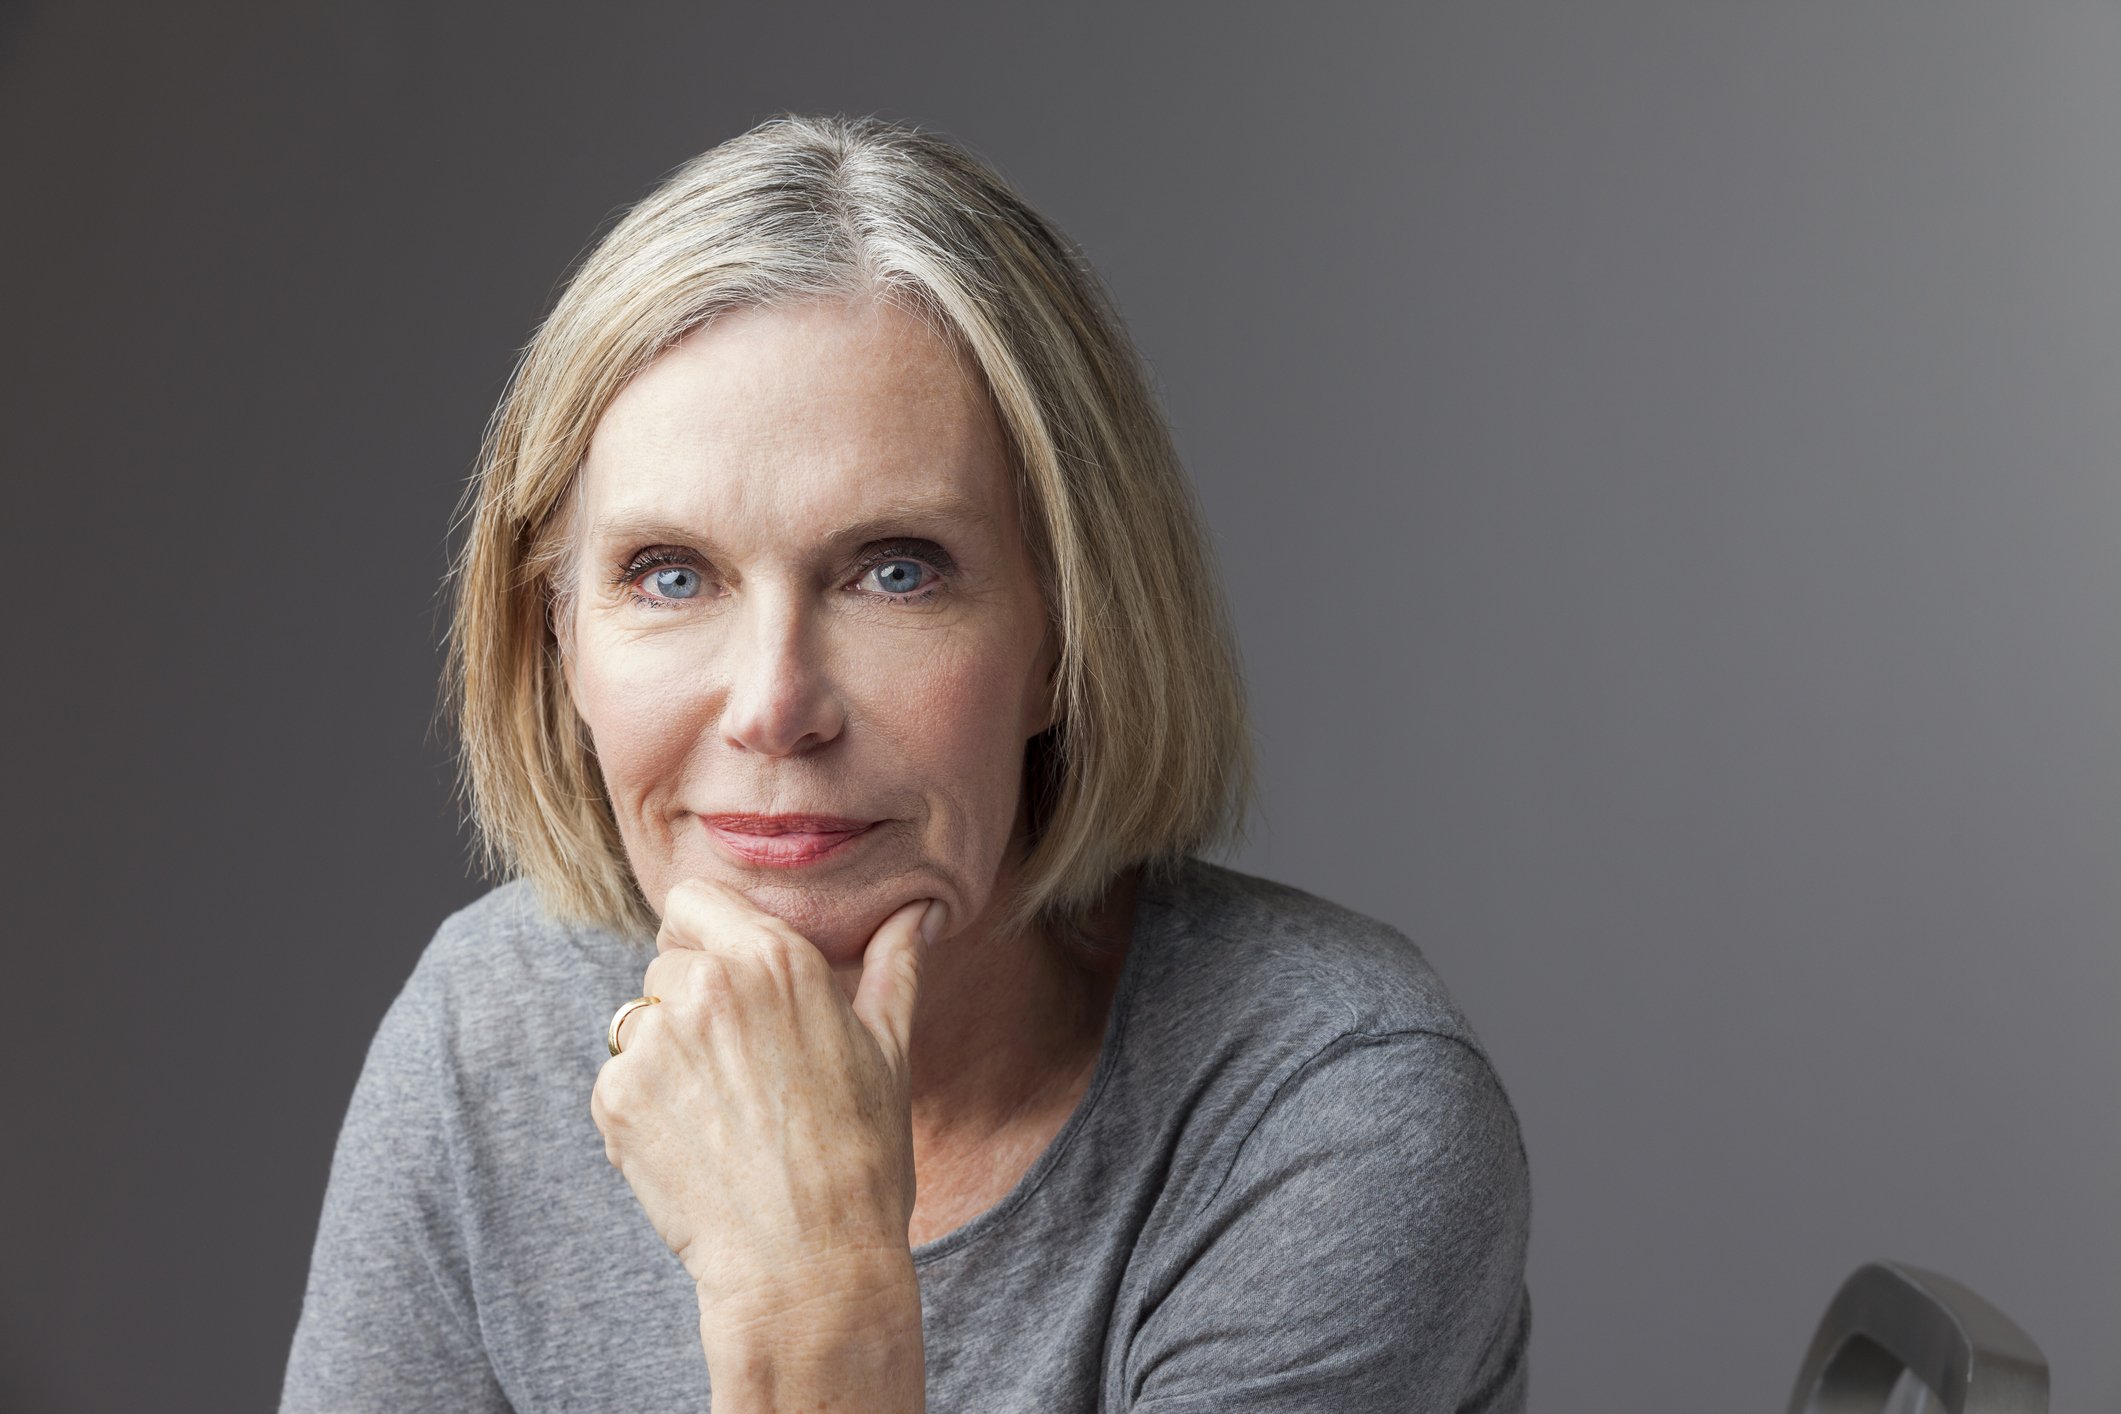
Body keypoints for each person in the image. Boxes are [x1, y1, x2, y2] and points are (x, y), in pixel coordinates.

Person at [280, 113, 1531, 1413]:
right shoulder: (487, 1037)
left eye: (893, 570)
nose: (773, 705)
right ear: (558, 638)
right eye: (669, 574)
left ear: (1063, 634)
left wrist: (811, 1303)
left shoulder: (1322, 1111)